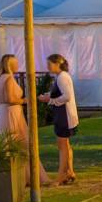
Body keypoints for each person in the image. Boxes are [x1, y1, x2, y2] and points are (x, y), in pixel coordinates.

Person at [0, 54, 49, 187]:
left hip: (3, 113)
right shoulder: (8, 79)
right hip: (12, 112)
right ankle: (27, 176)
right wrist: (26, 100)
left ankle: (16, 176)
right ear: (10, 65)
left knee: (9, 142)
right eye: (16, 63)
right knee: (20, 142)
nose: (18, 66)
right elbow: (12, 99)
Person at [40, 54, 78, 184]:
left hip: (64, 116)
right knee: (65, 145)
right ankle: (70, 171)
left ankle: (61, 175)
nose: (48, 67)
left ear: (57, 64)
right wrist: (49, 95)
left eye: (49, 64)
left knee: (62, 146)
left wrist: (50, 100)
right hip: (64, 115)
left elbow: (66, 96)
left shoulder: (62, 77)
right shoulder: (61, 77)